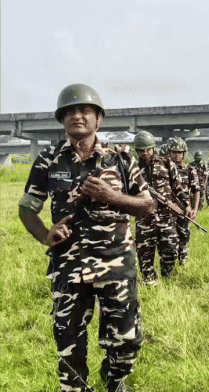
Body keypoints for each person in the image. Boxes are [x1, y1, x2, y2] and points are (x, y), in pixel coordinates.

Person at [18, 83, 153, 392]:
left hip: (116, 266)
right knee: (69, 347)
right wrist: (46, 235)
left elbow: (146, 206)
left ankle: (115, 379)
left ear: (98, 119)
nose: (77, 116)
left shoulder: (122, 159)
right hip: (68, 268)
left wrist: (112, 196)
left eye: (84, 110)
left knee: (127, 342)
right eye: (69, 112)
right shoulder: (47, 160)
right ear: (62, 120)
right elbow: (27, 208)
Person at [133, 131, 191, 286]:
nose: (144, 153)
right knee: (145, 254)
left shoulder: (167, 164)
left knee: (171, 250)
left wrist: (187, 204)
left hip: (166, 217)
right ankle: (150, 283)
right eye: (141, 150)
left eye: (147, 149)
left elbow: (178, 188)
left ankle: (166, 275)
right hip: (144, 220)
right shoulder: (132, 169)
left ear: (153, 148)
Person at [168, 137, 200, 267]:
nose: (176, 155)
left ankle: (183, 264)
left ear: (184, 153)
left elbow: (196, 190)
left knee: (183, 237)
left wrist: (194, 209)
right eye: (174, 152)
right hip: (167, 210)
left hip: (184, 210)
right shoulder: (164, 170)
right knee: (169, 239)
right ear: (169, 152)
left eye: (179, 152)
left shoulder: (190, 170)